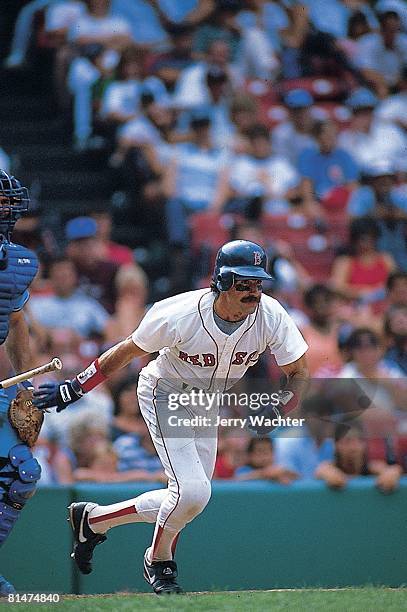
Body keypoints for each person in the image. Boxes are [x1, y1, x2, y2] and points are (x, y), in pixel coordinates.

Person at [33, 239, 309, 595]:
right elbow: (127, 351)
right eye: (244, 283)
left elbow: (299, 371)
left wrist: (279, 406)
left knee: (191, 498)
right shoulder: (180, 313)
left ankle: (94, 519)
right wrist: (75, 387)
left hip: (209, 401)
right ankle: (159, 561)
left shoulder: (270, 315)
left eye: (258, 283)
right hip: (166, 390)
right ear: (222, 282)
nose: (253, 292)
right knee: (192, 492)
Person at [0, 171, 40, 596]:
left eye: (8, 201)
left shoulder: (20, 261)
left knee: (21, 472)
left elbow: (15, 320)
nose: (6, 209)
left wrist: (25, 385)